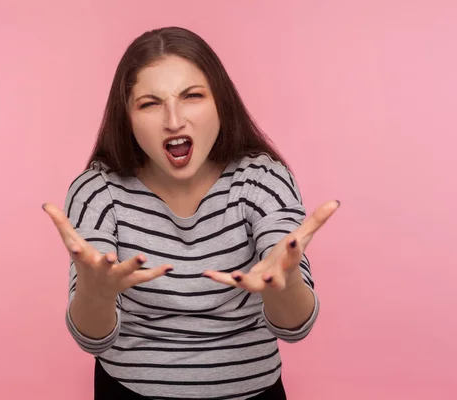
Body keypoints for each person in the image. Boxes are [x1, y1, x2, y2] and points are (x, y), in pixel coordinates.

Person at [42, 26, 339, 400]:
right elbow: (91, 337)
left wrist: (285, 283)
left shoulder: (261, 179)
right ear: (127, 118)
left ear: (221, 104)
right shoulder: (98, 191)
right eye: (149, 103)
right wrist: (95, 295)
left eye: (192, 96)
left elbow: (294, 326)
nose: (173, 120)